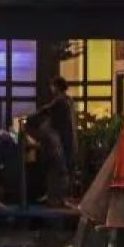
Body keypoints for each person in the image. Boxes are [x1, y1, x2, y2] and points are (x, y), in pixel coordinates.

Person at [28, 76, 77, 206]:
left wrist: (31, 118)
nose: (51, 89)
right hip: (68, 139)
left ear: (56, 87)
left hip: (60, 140)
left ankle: (55, 197)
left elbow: (46, 110)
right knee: (62, 169)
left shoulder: (60, 101)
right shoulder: (69, 101)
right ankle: (59, 196)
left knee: (56, 169)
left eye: (52, 86)